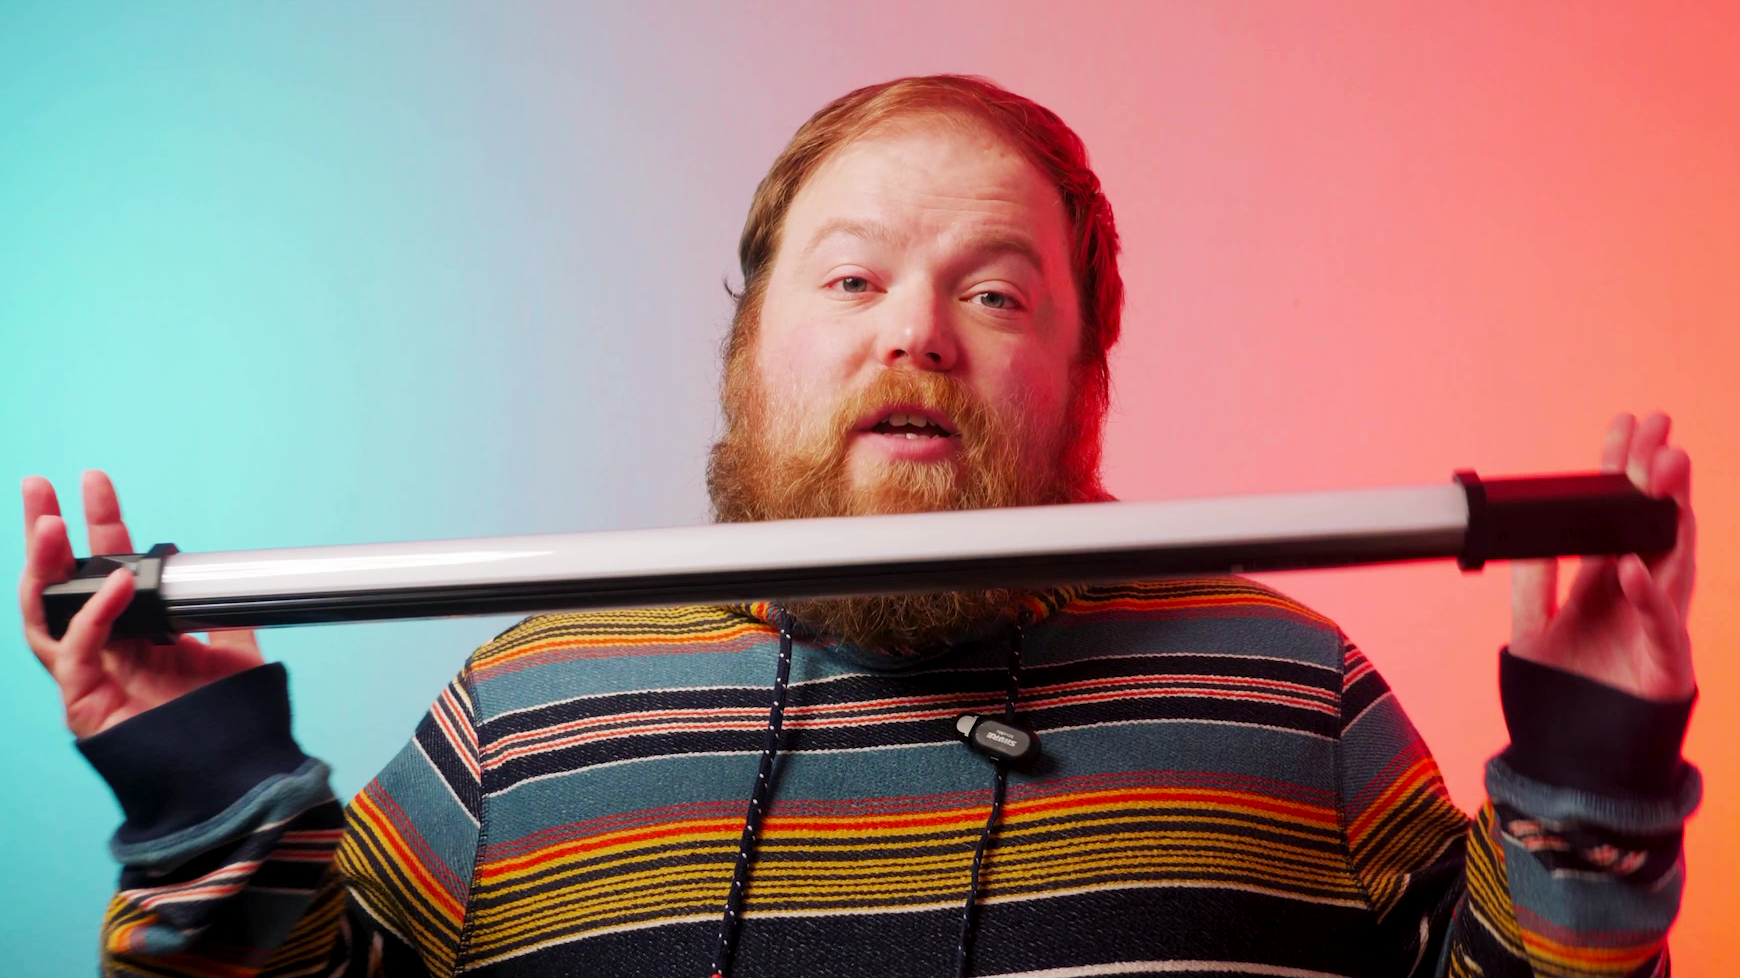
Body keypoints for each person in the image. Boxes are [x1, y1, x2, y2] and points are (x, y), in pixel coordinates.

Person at [20, 75, 1699, 978]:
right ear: (751, 356)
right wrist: (206, 799)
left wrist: (1594, 775)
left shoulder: (1288, 685)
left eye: (992, 289)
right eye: (853, 279)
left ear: (1083, 384)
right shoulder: (522, 715)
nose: (916, 331)